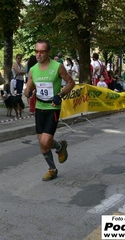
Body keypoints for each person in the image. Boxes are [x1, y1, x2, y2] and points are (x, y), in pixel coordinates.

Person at [24, 40, 75, 181]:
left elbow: (71, 83)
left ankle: (58, 146)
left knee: (46, 142)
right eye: (36, 51)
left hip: (53, 108)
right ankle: (52, 168)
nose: (38, 54)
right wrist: (28, 92)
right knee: (42, 144)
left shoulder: (57, 67)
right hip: (39, 108)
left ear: (48, 52)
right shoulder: (33, 69)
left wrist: (60, 95)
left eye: (42, 51)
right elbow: (28, 87)